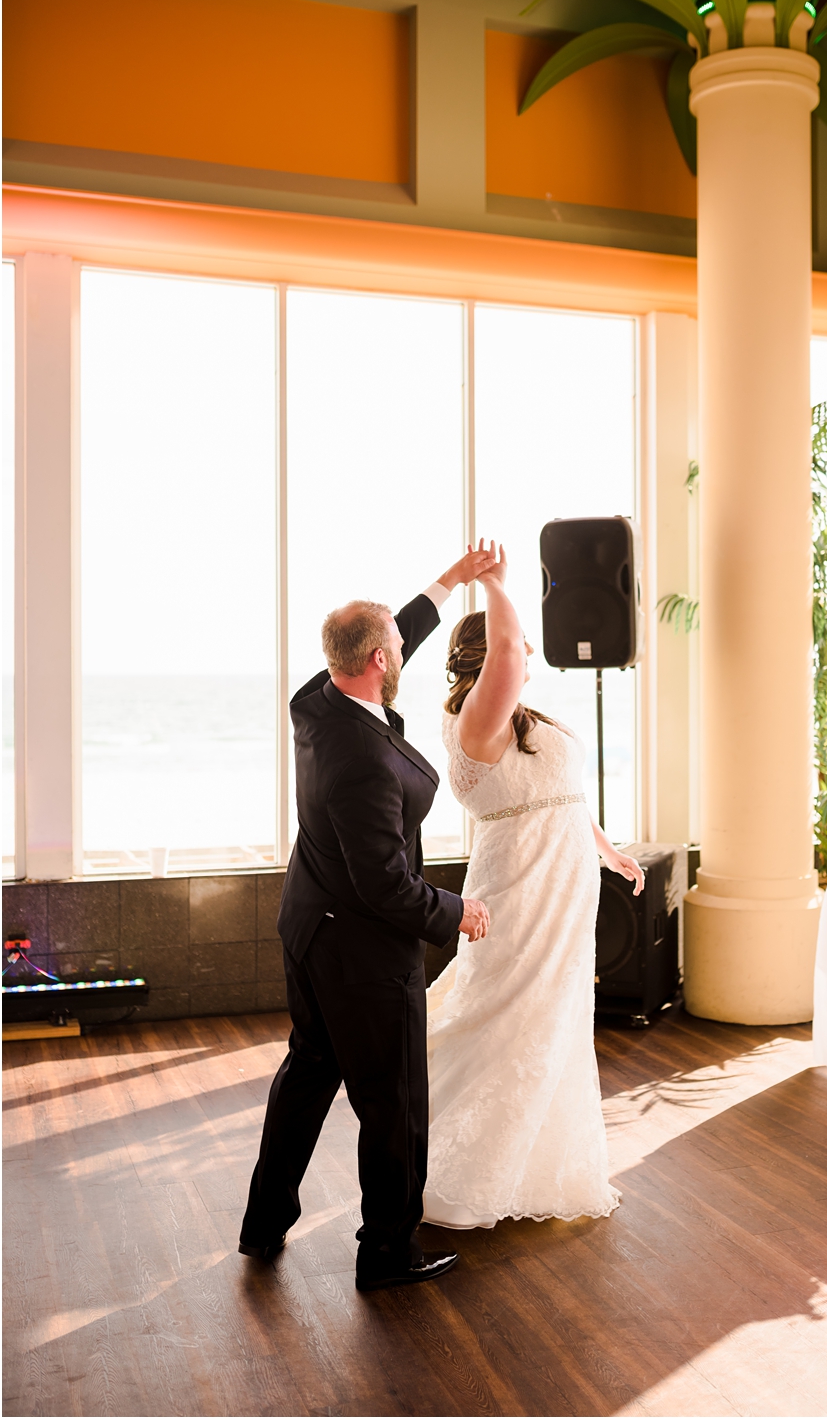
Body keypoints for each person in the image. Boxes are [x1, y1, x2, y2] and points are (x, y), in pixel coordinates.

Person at [239, 549, 493, 1292]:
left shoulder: (315, 701)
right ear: (381, 660)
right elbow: (385, 886)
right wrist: (459, 911)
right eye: (396, 648)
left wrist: (450, 578)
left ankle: (263, 1222)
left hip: (306, 929)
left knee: (310, 1070)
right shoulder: (362, 758)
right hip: (360, 954)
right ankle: (386, 1250)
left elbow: (394, 632)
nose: (404, 653)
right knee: (393, 1103)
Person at [422, 543, 643, 1230]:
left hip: (565, 893)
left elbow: (561, 795)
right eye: (509, 648)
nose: (522, 656)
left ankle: (533, 1172)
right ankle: (459, 1176)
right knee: (502, 1021)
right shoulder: (474, 722)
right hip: (521, 894)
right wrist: (496, 585)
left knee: (552, 1025)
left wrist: (608, 853)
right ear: (489, 657)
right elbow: (511, 654)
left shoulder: (523, 721)